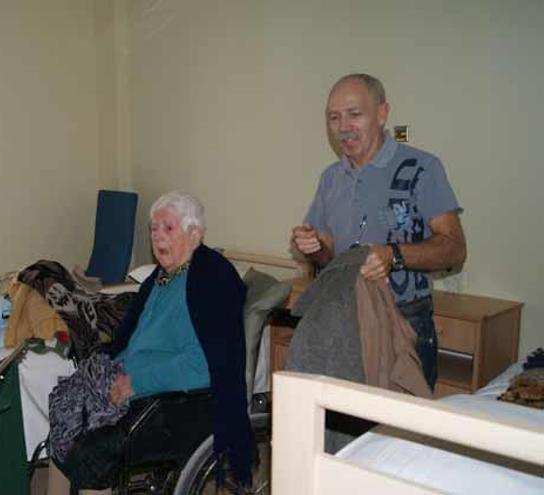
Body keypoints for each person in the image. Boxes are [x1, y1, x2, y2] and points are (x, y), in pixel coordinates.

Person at [48, 191, 254, 494]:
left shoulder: (212, 281)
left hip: (180, 405)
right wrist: (109, 370)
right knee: (66, 421)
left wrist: (136, 382)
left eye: (168, 228)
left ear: (194, 234)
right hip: (140, 392)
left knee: (92, 453)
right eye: (154, 228)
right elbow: (131, 342)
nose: (157, 236)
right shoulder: (161, 277)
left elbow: (204, 366)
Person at [291, 73, 467, 389]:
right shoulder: (331, 178)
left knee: (401, 417)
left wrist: (393, 255)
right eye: (334, 117)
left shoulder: (422, 168)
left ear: (382, 114)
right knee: (347, 417)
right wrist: (313, 245)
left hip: (405, 320)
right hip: (346, 321)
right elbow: (329, 260)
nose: (343, 127)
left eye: (354, 114)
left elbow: (454, 248)